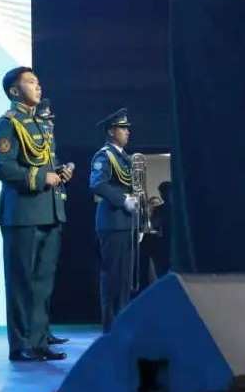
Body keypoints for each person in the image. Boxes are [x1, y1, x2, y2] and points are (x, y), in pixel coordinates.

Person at [0, 67, 71, 362]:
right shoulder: (8, 124)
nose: (38, 86)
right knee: (21, 282)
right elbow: (2, 167)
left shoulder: (41, 125)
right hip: (22, 213)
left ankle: (38, 341)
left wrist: (59, 173)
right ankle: (21, 344)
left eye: (38, 81)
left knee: (43, 284)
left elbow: (46, 162)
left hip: (49, 211)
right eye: (31, 82)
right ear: (14, 91)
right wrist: (40, 178)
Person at [89, 108, 138, 333]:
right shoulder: (104, 155)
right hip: (112, 222)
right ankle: (111, 328)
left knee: (126, 279)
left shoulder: (124, 157)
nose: (127, 132)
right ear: (111, 131)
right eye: (123, 128)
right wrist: (123, 200)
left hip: (126, 223)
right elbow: (98, 184)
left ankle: (123, 323)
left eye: (127, 128)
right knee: (114, 278)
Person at [35, 98, 67, 346]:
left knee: (47, 280)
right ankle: (35, 335)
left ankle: (43, 331)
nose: (50, 124)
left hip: (53, 210)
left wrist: (64, 170)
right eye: (46, 120)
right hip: (36, 211)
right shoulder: (33, 139)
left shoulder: (50, 143)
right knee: (35, 281)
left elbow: (52, 171)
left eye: (51, 120)